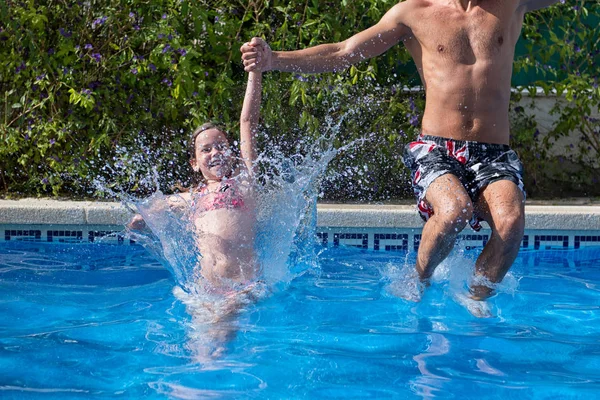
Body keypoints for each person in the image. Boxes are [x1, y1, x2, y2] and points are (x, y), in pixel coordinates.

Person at [240, 0, 560, 312]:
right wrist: (274, 59)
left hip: (494, 153)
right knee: (453, 212)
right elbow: (344, 51)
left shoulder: (511, 4)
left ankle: (475, 297)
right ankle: (418, 281)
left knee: (511, 224)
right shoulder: (413, 12)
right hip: (437, 149)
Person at [128, 68, 264, 295]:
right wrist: (141, 220)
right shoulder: (191, 198)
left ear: (232, 153)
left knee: (219, 330)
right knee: (203, 331)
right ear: (194, 163)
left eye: (221, 146)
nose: (215, 153)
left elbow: (248, 121)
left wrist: (255, 71)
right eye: (206, 150)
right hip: (205, 289)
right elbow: (150, 212)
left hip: (242, 286)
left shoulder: (243, 184)